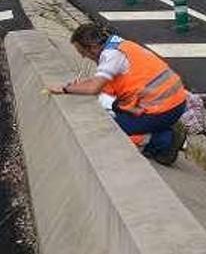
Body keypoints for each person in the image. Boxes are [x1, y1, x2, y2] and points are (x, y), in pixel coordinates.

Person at [48, 24, 188, 166]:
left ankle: (165, 140)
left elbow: (94, 88)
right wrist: (76, 86)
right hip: (174, 102)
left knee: (109, 130)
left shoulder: (111, 56)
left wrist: (65, 89)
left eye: (83, 52)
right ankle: (160, 130)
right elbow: (101, 83)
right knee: (115, 110)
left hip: (161, 109)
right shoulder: (120, 44)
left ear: (92, 47)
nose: (83, 57)